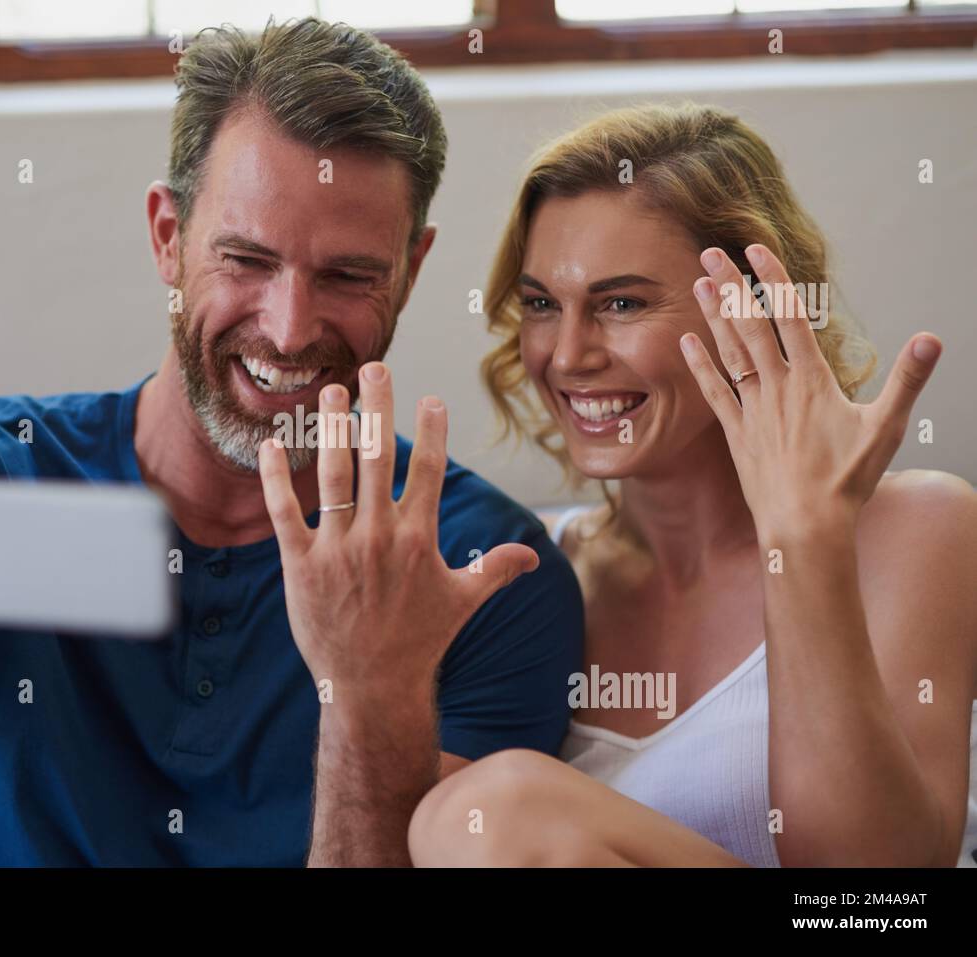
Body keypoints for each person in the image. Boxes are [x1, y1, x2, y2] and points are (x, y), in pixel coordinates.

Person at [0, 19, 583, 866]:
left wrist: (367, 695)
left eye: (347, 275)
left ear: (413, 270)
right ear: (166, 236)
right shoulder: (10, 493)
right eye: (247, 260)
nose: (290, 325)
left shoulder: (476, 571)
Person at [397, 103, 977, 867]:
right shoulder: (537, 576)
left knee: (491, 811)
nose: (567, 354)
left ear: (754, 309)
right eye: (542, 304)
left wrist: (802, 537)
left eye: (622, 303)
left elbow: (872, 896)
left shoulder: (920, 526)